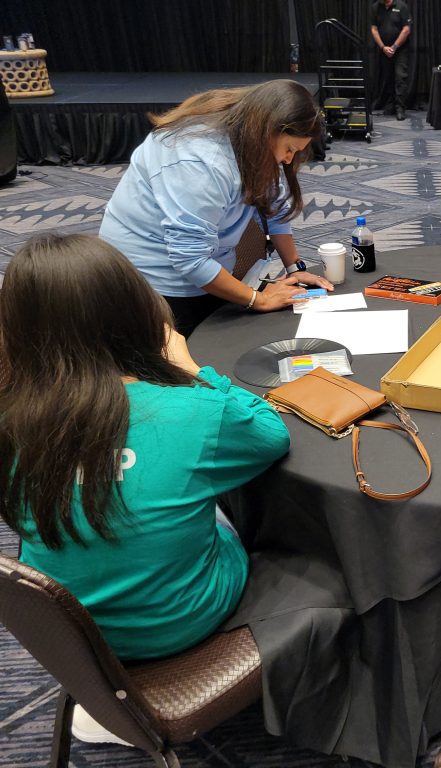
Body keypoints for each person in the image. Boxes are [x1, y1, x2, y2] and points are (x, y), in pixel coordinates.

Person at [0, 233, 291, 664]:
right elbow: (271, 434)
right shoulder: (189, 410)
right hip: (181, 622)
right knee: (225, 499)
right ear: (135, 311)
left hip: (66, 635)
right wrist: (189, 368)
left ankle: (105, 691)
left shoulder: (10, 414)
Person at [99, 80, 332, 336]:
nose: (288, 160)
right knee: (187, 360)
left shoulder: (251, 141)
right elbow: (190, 259)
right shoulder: (200, 161)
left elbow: (273, 211)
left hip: (206, 266)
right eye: (289, 149)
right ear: (267, 130)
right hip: (154, 282)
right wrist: (259, 299)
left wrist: (295, 269)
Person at [371, 0, 413, 120]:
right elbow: (374, 29)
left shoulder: (401, 6)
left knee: (400, 77)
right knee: (388, 77)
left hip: (400, 49)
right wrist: (383, 47)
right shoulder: (375, 8)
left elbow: (406, 29)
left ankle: (400, 108)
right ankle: (391, 105)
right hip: (384, 49)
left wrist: (394, 47)